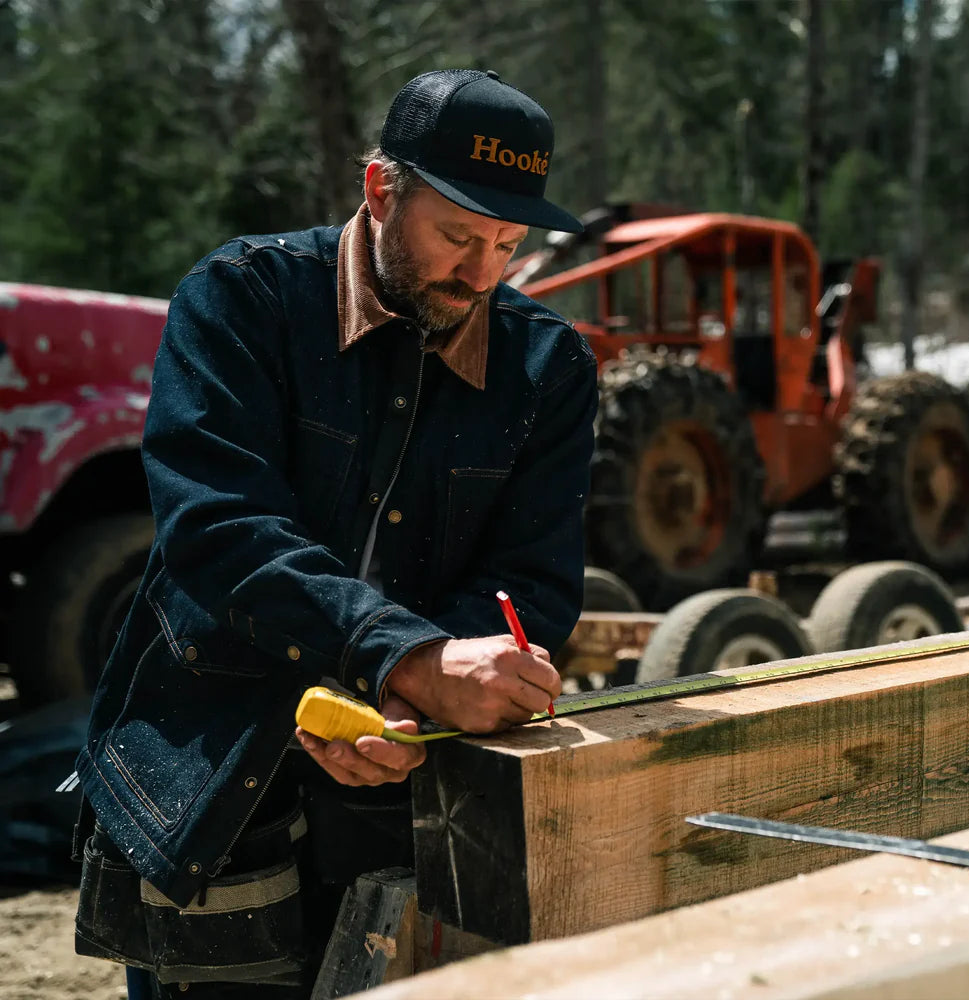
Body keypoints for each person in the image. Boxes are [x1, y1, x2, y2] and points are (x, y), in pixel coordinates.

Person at [73, 68, 597, 998]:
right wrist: (408, 658)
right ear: (379, 191)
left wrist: (419, 696)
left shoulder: (547, 366)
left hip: (412, 793)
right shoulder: (242, 297)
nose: (482, 277)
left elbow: (533, 577)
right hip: (211, 770)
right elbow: (219, 529)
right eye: (459, 237)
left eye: (509, 247)